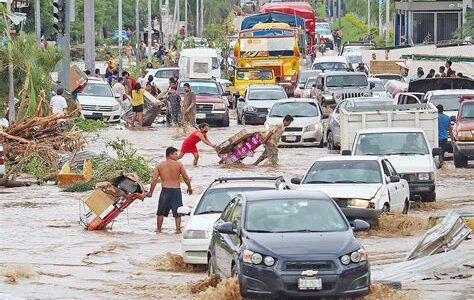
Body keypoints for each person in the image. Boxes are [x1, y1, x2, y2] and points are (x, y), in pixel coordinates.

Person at [147, 147, 192, 233]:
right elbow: (186, 177)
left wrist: (150, 192)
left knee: (160, 212)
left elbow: (154, 180)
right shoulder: (179, 164)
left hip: (165, 191)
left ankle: (159, 230)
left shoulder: (159, 165)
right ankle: (178, 230)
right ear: (170, 154)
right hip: (176, 191)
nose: (177, 156)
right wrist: (189, 187)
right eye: (175, 154)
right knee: (178, 212)